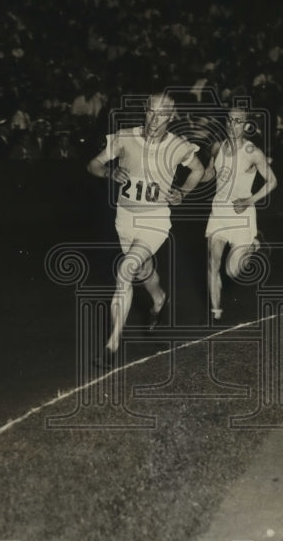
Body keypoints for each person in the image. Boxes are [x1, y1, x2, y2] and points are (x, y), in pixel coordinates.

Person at [87, 93, 205, 360]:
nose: (156, 119)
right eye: (152, 112)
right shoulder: (125, 137)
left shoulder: (178, 145)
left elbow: (198, 170)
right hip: (125, 219)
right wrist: (108, 172)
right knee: (141, 269)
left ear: (172, 117)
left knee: (124, 270)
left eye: (163, 114)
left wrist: (184, 192)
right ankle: (159, 298)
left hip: (156, 220)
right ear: (145, 110)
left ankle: (112, 345)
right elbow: (93, 164)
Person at [203, 108, 278, 325]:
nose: (232, 125)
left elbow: (272, 181)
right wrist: (194, 174)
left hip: (241, 213)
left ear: (245, 125)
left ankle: (255, 245)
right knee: (212, 263)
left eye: (238, 121)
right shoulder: (217, 147)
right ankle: (215, 312)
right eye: (229, 120)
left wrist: (249, 200)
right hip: (219, 212)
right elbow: (209, 174)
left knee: (233, 270)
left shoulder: (252, 151)